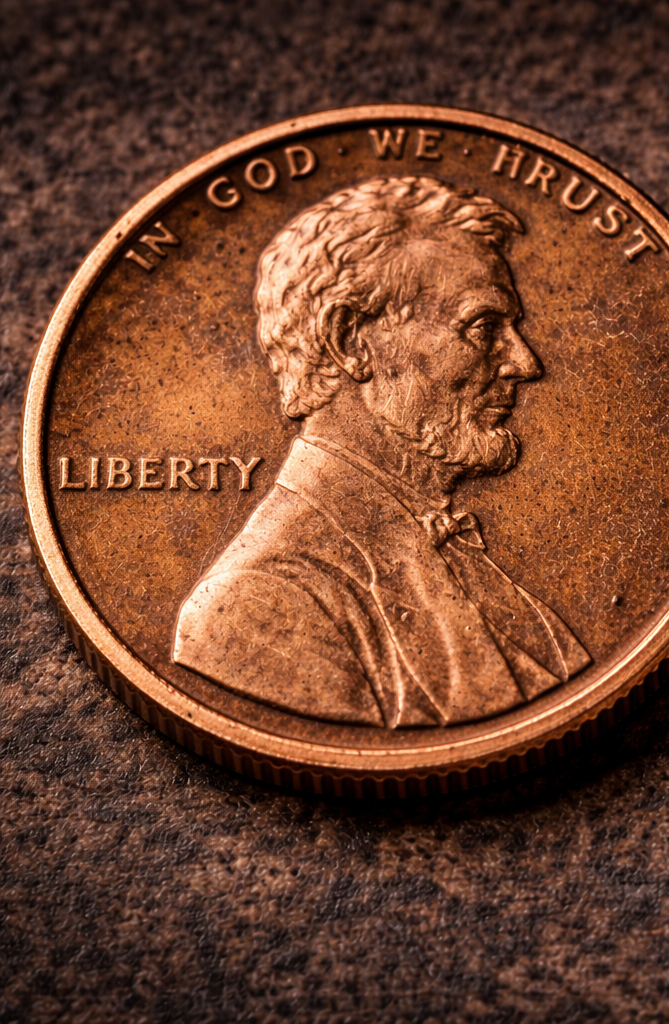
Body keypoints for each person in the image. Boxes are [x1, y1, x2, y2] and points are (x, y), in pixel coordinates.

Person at [175, 176, 590, 728]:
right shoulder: (257, 603)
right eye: (483, 326)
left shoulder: (444, 539)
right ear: (350, 342)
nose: (524, 361)